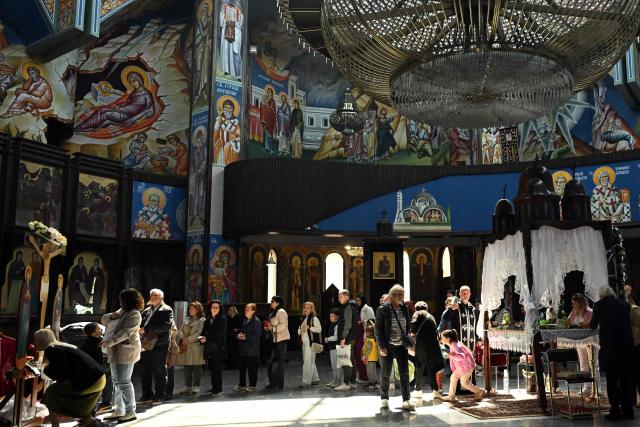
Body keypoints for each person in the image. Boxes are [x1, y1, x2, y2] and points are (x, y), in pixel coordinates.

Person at [34, 329, 106, 427]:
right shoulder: (62, 346)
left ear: (41, 340)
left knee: (51, 392)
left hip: (90, 381)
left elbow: (60, 373)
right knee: (69, 397)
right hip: (99, 378)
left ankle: (55, 424)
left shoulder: (52, 349)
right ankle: (88, 420)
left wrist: (45, 367)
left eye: (35, 340)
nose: (34, 343)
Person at [591, 285, 635, 420]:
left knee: (612, 380)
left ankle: (615, 411)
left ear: (601, 295)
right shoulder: (624, 305)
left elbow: (593, 325)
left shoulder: (599, 305)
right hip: (626, 346)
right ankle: (628, 411)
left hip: (610, 347)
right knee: (626, 379)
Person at [100, 289, 143, 423]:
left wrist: (109, 342)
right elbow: (104, 320)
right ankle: (119, 410)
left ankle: (130, 411)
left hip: (126, 351)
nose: (120, 302)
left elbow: (126, 332)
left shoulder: (135, 314)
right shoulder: (122, 311)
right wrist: (110, 317)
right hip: (115, 350)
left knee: (123, 381)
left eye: (122, 299)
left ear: (128, 300)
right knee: (116, 381)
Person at [375, 284, 414, 410]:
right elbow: (378, 329)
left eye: (403, 294)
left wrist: (408, 336)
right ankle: (384, 398)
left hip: (401, 345)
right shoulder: (383, 309)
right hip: (388, 345)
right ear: (392, 296)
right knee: (385, 373)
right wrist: (381, 346)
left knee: (404, 372)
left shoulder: (404, 307)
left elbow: (408, 323)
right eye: (399, 295)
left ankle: (406, 400)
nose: (402, 297)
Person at [138, 289, 173, 404]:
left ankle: (159, 395)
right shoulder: (146, 311)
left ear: (162, 297)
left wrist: (146, 329)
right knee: (144, 371)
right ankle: (147, 395)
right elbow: (140, 325)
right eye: (152, 295)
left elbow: (166, 326)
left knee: (159, 371)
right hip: (145, 344)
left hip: (159, 345)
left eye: (156, 295)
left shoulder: (166, 309)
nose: (153, 297)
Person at [444, 286, 479, 392]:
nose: (465, 294)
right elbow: (446, 318)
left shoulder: (474, 309)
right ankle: (459, 389)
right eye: (463, 293)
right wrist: (451, 309)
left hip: (471, 343)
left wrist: (478, 338)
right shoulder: (455, 306)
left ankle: (470, 389)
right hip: (458, 344)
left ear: (470, 294)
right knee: (459, 364)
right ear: (459, 294)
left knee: (469, 364)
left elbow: (476, 326)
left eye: (467, 293)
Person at [411, 301, 444, 403]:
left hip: (422, 345)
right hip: (433, 345)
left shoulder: (417, 313)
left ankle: (418, 389)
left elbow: (413, 327)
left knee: (420, 367)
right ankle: (435, 391)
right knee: (431, 368)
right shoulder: (431, 316)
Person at [440, 329, 484, 402]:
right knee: (456, 379)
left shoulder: (454, 345)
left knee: (463, 382)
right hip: (464, 367)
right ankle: (451, 396)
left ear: (448, 339)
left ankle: (479, 391)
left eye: (442, 338)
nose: (441, 339)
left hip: (465, 367)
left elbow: (462, 356)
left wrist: (451, 356)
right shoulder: (455, 344)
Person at [567, 293, 597, 397]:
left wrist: (581, 325)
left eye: (574, 303)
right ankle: (586, 388)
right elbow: (568, 322)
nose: (573, 305)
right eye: (572, 303)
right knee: (583, 364)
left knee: (593, 364)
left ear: (580, 303)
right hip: (580, 341)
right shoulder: (574, 312)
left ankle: (595, 388)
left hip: (590, 341)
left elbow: (591, 326)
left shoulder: (589, 312)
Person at [80, 323, 112, 413]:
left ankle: (100, 405)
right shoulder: (95, 343)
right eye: (99, 329)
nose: (101, 330)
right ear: (93, 333)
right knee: (108, 376)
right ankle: (105, 404)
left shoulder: (90, 341)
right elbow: (97, 359)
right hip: (94, 370)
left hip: (90, 369)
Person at [178, 301, 205, 395]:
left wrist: (188, 339)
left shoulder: (202, 320)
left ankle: (196, 386)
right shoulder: (186, 319)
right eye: (190, 308)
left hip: (196, 346)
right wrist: (182, 338)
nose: (190, 310)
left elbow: (199, 333)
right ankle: (188, 386)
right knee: (187, 367)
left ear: (198, 310)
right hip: (186, 346)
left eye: (192, 309)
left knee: (197, 367)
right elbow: (180, 331)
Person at [200, 300, 226, 395]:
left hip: (218, 347)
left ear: (220, 309)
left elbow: (220, 334)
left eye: (217, 307)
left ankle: (218, 389)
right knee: (212, 368)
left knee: (217, 368)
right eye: (213, 307)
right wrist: (201, 338)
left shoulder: (222, 318)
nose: (215, 309)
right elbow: (203, 332)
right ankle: (214, 387)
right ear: (210, 309)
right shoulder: (208, 319)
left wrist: (207, 338)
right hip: (210, 347)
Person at [335, 290, 359, 391]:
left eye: (340, 297)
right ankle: (353, 382)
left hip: (347, 338)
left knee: (346, 360)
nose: (338, 299)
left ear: (346, 296)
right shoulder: (352, 306)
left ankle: (346, 383)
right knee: (351, 359)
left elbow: (348, 324)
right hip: (351, 337)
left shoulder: (348, 307)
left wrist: (343, 338)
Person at [265, 296, 289, 391]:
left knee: (278, 363)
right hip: (273, 340)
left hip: (281, 340)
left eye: (273, 301)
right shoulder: (273, 312)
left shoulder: (282, 312)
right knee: (271, 362)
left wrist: (272, 328)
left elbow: (283, 326)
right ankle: (272, 382)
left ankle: (279, 384)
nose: (271, 303)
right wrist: (267, 328)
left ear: (278, 303)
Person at [236, 303, 262, 392]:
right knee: (242, 368)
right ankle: (242, 385)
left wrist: (245, 336)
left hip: (252, 349)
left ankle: (252, 386)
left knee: (252, 369)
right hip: (243, 349)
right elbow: (243, 331)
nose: (246, 311)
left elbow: (257, 335)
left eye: (248, 309)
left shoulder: (256, 321)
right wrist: (240, 334)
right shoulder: (245, 320)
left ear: (253, 311)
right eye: (245, 309)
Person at [298, 301, 321, 388]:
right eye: (304, 308)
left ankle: (306, 382)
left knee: (308, 362)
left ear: (312, 309)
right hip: (305, 344)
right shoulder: (303, 319)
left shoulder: (314, 319)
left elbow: (319, 329)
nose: (305, 309)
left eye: (308, 308)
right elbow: (298, 331)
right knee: (310, 361)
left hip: (311, 343)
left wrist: (309, 327)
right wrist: (301, 330)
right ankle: (315, 379)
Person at [355, 294, 374, 383]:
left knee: (363, 354)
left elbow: (372, 321)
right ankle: (362, 376)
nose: (357, 302)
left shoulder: (368, 309)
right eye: (356, 300)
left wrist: (362, 321)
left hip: (365, 334)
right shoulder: (357, 309)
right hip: (358, 334)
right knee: (358, 354)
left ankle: (366, 377)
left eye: (359, 300)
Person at [324, 308, 344, 388]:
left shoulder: (338, 325)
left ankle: (338, 381)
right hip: (332, 347)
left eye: (332, 316)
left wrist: (328, 339)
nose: (330, 318)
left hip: (337, 348)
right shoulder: (333, 324)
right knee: (333, 365)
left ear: (337, 316)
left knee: (338, 366)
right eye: (330, 316)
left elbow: (336, 337)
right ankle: (335, 380)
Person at [164, 321, 179, 400]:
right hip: (159, 348)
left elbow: (175, 331)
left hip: (170, 349)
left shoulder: (170, 320)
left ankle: (169, 392)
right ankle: (161, 392)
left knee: (170, 370)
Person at [362, 323, 379, 390]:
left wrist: (364, 356)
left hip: (369, 358)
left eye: (366, 332)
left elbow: (368, 350)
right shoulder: (373, 339)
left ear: (369, 333)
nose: (365, 333)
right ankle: (374, 382)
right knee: (373, 371)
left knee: (370, 372)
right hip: (373, 358)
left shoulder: (369, 340)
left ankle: (372, 383)